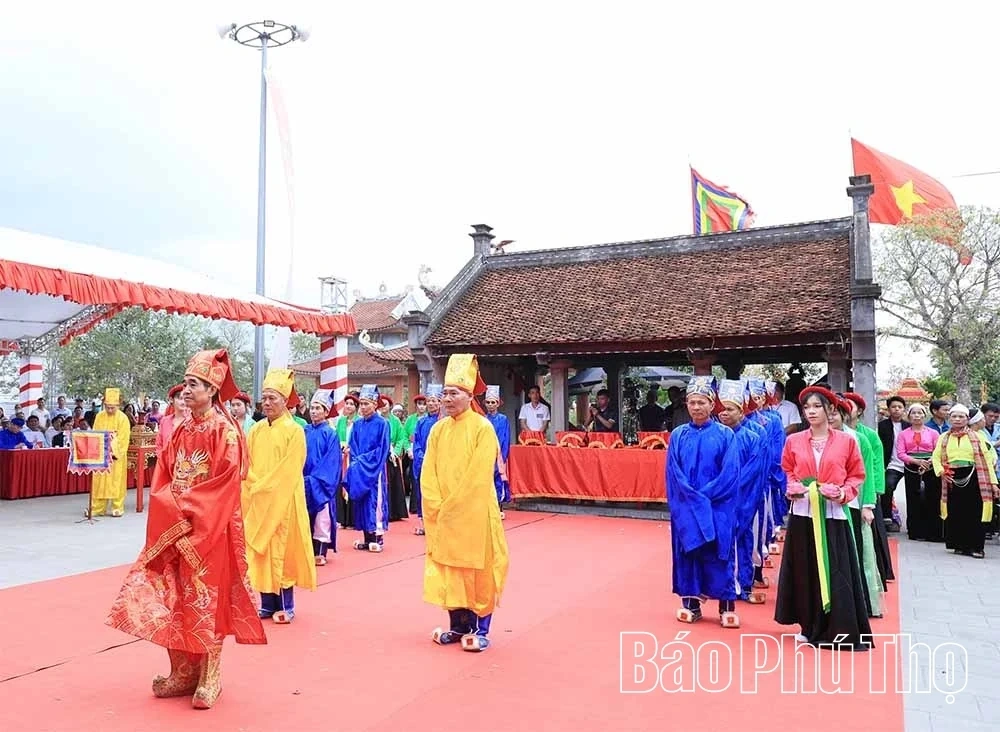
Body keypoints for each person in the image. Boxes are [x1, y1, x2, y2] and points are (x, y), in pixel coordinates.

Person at [105, 349, 265, 710]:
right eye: (185, 385)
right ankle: (181, 671)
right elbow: (164, 473)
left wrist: (189, 511)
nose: (185, 392)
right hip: (175, 527)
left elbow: (225, 484)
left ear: (212, 389)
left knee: (205, 599)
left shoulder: (226, 432)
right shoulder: (181, 430)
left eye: (193, 385)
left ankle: (210, 675)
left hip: (210, 530)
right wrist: (168, 508)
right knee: (172, 597)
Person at [774, 385, 872, 651]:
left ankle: (837, 627)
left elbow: (856, 475)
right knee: (805, 567)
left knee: (835, 568)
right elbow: (788, 470)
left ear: (830, 410)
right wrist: (792, 487)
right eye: (807, 407)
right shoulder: (793, 441)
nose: (811, 412)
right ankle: (808, 625)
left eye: (817, 406)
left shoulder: (846, 441)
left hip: (832, 514)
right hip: (804, 512)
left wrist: (842, 492)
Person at [423, 354, 509, 651]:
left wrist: (452, 507)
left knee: (479, 570)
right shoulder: (438, 430)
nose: (447, 399)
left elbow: (478, 476)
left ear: (469, 396)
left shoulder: (483, 428)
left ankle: (480, 628)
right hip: (444, 515)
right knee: (451, 570)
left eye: (453, 393)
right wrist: (435, 505)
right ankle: (458, 627)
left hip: (474, 515)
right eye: (444, 393)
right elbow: (428, 473)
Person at [243, 369, 316, 623]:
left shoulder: (294, 431)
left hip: (284, 502)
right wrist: (255, 486)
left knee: (282, 551)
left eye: (273, 398)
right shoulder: (256, 430)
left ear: (285, 400)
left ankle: (286, 604)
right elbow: (246, 464)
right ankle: (266, 603)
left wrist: (263, 486)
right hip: (259, 500)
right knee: (260, 551)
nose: (267, 403)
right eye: (265, 398)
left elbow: (290, 468)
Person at [667, 375, 741, 627]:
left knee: (720, 552)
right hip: (686, 505)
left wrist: (705, 496)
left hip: (717, 506)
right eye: (691, 402)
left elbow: (730, 473)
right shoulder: (677, 435)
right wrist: (691, 499)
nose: (696, 407)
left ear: (712, 405)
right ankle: (691, 604)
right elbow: (673, 474)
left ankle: (726, 606)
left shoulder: (725, 435)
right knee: (688, 551)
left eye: (701, 402)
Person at [715, 379, 767, 608]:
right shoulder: (717, 436)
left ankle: (743, 583)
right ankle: (722, 584)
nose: (724, 414)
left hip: (744, 498)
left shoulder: (752, 437)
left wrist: (730, 487)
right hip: (720, 500)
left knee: (743, 539)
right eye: (721, 409)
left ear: (742, 410)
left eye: (730, 409)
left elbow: (753, 470)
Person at [931, 403, 998, 559]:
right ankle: (959, 545)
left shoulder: (978, 437)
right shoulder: (944, 437)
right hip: (952, 476)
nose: (957, 419)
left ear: (968, 419)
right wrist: (941, 472)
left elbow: (987, 460)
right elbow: (935, 456)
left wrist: (993, 483)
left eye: (961, 416)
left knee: (975, 512)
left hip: (974, 476)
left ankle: (976, 547)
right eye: (954, 416)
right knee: (956, 511)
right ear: (949, 418)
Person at [843, 392, 895, 588]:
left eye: (851, 406)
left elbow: (876, 463)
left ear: (860, 411)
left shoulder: (868, 435)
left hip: (867, 488)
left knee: (872, 533)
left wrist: (876, 491)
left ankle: (879, 572)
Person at [346, 385, 391, 552]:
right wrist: (357, 462)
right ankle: (366, 536)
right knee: (362, 501)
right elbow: (353, 446)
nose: (363, 407)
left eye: (366, 404)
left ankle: (377, 538)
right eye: (362, 404)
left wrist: (365, 461)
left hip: (375, 469)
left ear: (374, 404)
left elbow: (382, 449)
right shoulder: (357, 425)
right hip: (360, 469)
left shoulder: (383, 424)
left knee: (375, 500)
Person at [304, 389, 342, 566]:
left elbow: (332, 462)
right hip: (304, 480)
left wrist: (316, 480)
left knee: (322, 516)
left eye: (318, 408)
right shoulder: (304, 430)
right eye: (312, 408)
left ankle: (320, 551)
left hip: (321, 482)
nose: (313, 411)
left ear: (326, 411)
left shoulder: (330, 433)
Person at [895, 403, 943, 542]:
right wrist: (916, 462)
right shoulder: (903, 434)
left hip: (930, 466)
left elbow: (938, 451)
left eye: (920, 413)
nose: (917, 416)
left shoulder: (933, 433)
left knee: (932, 498)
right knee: (913, 498)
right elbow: (900, 453)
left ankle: (933, 532)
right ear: (909, 416)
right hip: (911, 468)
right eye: (913, 413)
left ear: (924, 415)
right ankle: (916, 531)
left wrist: (928, 462)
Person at [89, 388, 133, 518]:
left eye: (112, 407)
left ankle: (117, 506)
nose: (109, 410)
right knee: (99, 482)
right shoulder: (99, 416)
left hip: (115, 457)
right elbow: (95, 434)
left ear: (118, 405)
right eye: (107, 407)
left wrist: (112, 445)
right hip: (101, 455)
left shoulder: (123, 418)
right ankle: (97, 508)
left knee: (116, 481)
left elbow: (123, 438)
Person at [411, 385, 443, 536]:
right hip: (422, 462)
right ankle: (424, 523)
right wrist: (420, 455)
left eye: (434, 401)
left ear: (440, 403)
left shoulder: (444, 422)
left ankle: (439, 522)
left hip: (439, 462)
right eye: (428, 401)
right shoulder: (421, 422)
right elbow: (416, 441)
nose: (430, 404)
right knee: (422, 493)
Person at [484, 385, 512, 517]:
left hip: (499, 455)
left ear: (498, 403)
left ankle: (499, 508)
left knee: (498, 480)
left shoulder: (503, 419)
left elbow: (505, 438)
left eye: (493, 402)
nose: (490, 405)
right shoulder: (483, 419)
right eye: (488, 402)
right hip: (485, 455)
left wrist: (503, 456)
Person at [334, 394, 360, 529]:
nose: (348, 406)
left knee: (352, 485)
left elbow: (359, 440)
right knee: (341, 485)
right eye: (347, 403)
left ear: (356, 407)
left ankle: (352, 519)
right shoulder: (340, 421)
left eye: (351, 404)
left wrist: (351, 448)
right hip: (342, 456)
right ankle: (342, 518)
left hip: (353, 458)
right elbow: (336, 436)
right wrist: (341, 445)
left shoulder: (359, 421)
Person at [155, 385, 187, 457]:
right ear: (171, 399)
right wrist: (162, 459)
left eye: (185, 399)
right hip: (165, 462)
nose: (183, 402)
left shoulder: (191, 422)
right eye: (180, 398)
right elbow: (159, 444)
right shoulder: (165, 421)